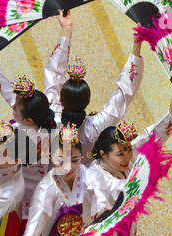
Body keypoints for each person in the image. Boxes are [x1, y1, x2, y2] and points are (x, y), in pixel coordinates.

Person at [84, 94, 172, 236]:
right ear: (102, 154)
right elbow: (99, 197)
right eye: (120, 154)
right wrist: (103, 213)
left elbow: (149, 137)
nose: (128, 158)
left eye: (128, 151)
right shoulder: (95, 175)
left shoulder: (124, 159)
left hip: (125, 233)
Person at [0, 9, 71, 236]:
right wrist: (66, 30)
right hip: (49, 190)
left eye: (16, 111)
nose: (12, 110)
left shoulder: (19, 141)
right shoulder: (53, 112)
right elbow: (56, 72)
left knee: (11, 234)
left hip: (21, 192)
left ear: (27, 120)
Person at [3, 124, 109, 236]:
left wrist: (101, 209)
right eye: (61, 160)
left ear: (81, 158)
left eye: (74, 160)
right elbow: (38, 216)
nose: (67, 167)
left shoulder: (88, 175)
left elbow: (98, 192)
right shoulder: (48, 185)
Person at [60, 29, 145, 166]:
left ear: (60, 100)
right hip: (89, 180)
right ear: (88, 101)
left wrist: (66, 29)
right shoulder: (97, 125)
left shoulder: (50, 120)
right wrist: (137, 46)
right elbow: (124, 92)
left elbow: (53, 73)